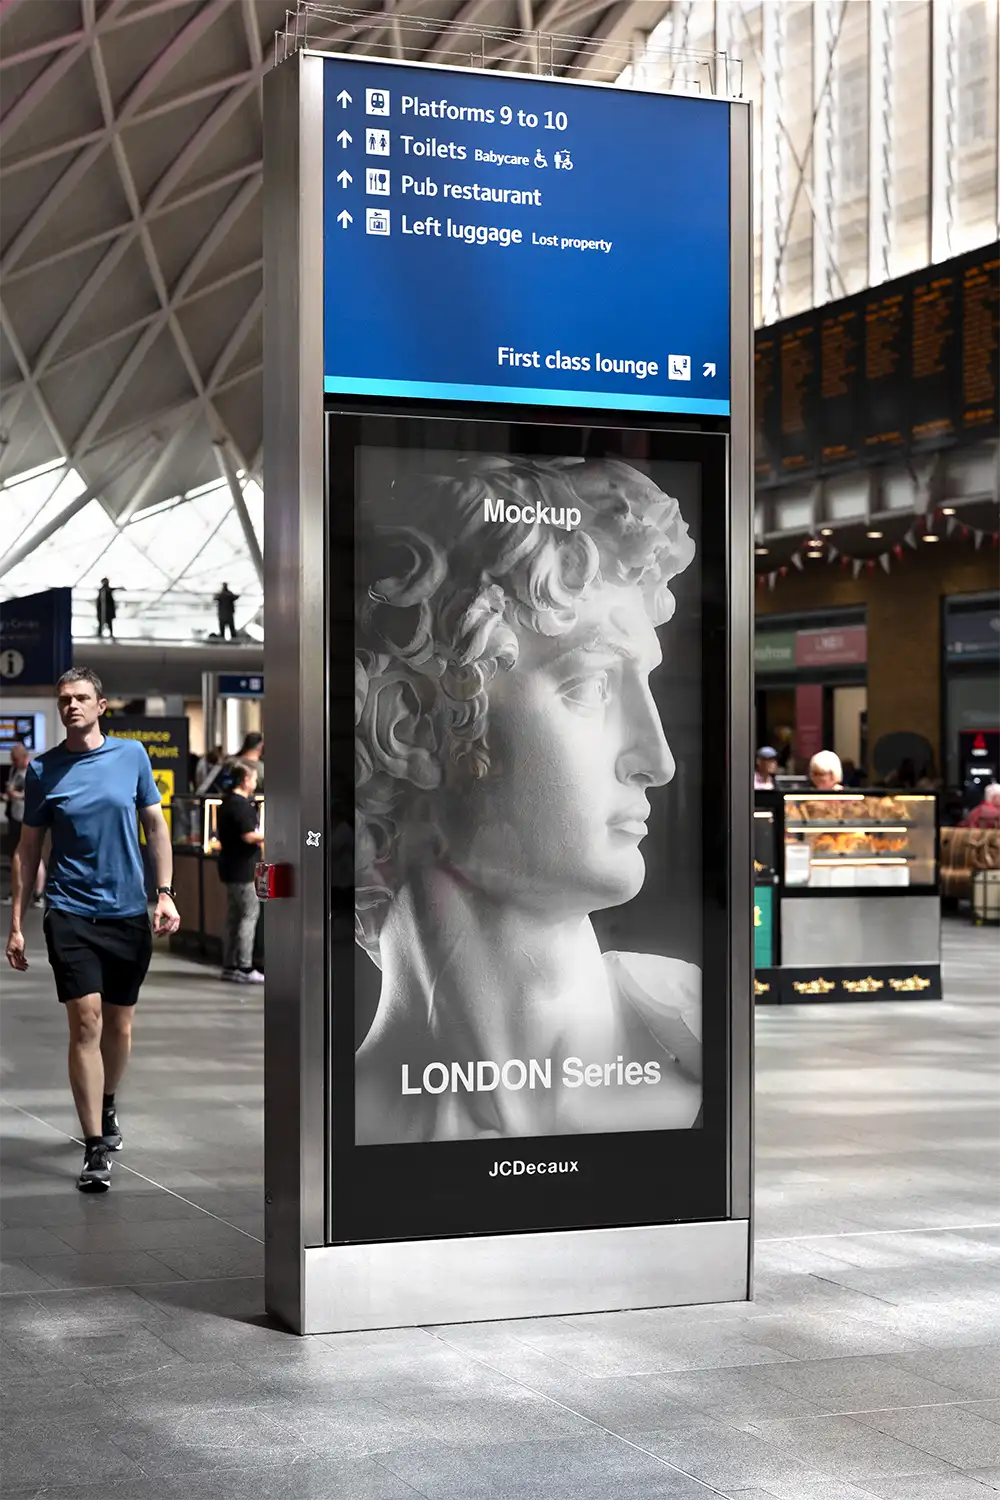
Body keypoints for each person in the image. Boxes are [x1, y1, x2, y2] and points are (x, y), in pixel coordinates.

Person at [354, 453, 702, 1145]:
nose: (656, 762)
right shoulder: (344, 1123)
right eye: (590, 688)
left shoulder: (692, 1028)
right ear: (413, 727)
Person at [4, 668, 180, 1193]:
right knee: (86, 1023)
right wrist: (17, 923)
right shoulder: (43, 770)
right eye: (64, 700)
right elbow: (28, 849)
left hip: (127, 911)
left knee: (119, 1026)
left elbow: (156, 826)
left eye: (81, 699)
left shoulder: (131, 757)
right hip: (69, 910)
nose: (71, 707)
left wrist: (165, 892)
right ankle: (94, 1146)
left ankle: (106, 1103)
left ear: (101, 705)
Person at [216, 762, 264, 983]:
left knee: (234, 917)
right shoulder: (241, 805)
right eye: (254, 779)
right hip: (243, 869)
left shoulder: (226, 803)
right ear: (245, 779)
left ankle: (230, 964)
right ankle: (244, 966)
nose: (255, 783)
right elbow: (248, 836)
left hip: (228, 867)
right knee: (248, 915)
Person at [3, 743, 45, 906]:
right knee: (18, 856)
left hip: (27, 818)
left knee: (34, 855)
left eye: (15, 760)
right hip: (15, 816)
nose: (13, 762)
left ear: (22, 758)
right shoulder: (15, 770)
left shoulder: (32, 771)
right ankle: (17, 891)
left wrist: (16, 794)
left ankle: (38, 894)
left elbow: (33, 795)